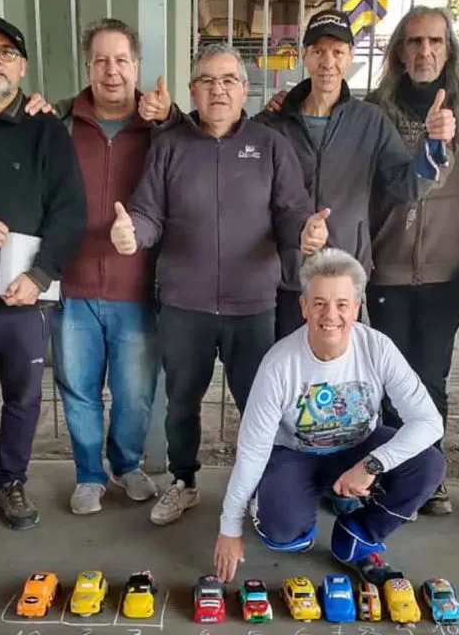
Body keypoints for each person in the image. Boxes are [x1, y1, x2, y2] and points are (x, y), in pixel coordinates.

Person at [111, 43, 329, 527]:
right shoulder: (170, 146)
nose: (219, 90)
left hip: (252, 304)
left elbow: (291, 209)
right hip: (184, 303)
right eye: (207, 80)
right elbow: (148, 212)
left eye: (229, 80)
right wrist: (132, 233)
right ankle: (184, 482)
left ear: (245, 89)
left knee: (258, 402)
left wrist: (304, 232)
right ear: (193, 90)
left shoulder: (270, 145)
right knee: (181, 403)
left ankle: (257, 486)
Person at [214, 248, 445, 584]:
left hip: (359, 449)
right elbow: (252, 450)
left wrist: (372, 465)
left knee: (429, 464)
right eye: (319, 303)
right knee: (284, 534)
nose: (330, 315)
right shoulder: (279, 364)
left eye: (342, 304)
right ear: (304, 306)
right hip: (296, 454)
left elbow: (429, 422)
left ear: (357, 307)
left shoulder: (378, 348)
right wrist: (229, 527)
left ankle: (358, 534)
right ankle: (293, 506)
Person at [38, 19, 173, 516]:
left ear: (136, 65)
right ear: (87, 66)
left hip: (137, 287)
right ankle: (89, 476)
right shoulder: (59, 123)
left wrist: (172, 115)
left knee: (135, 394)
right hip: (72, 285)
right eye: (100, 60)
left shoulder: (160, 127)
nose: (111, 71)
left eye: (121, 60)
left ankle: (127, 464)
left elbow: (203, 143)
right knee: (78, 390)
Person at [256, 9, 455, 340]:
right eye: (318, 51)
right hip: (285, 278)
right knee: (286, 366)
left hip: (344, 277)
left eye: (337, 52)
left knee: (340, 367)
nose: (328, 62)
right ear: (304, 56)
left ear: (349, 56)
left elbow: (406, 185)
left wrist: (434, 144)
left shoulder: (370, 120)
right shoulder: (274, 124)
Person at [365, 6, 459, 516]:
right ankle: (394, 475)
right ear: (398, 52)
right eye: (414, 42)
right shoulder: (375, 108)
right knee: (391, 380)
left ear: (448, 49)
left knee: (431, 375)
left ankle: (431, 476)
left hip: (446, 268)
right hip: (386, 267)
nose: (424, 51)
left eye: (435, 41)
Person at [0, 17, 86, 529]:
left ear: (23, 67)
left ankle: (9, 480)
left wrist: (40, 275)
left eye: (7, 52)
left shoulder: (45, 130)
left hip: (23, 298)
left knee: (23, 399)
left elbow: (70, 211)